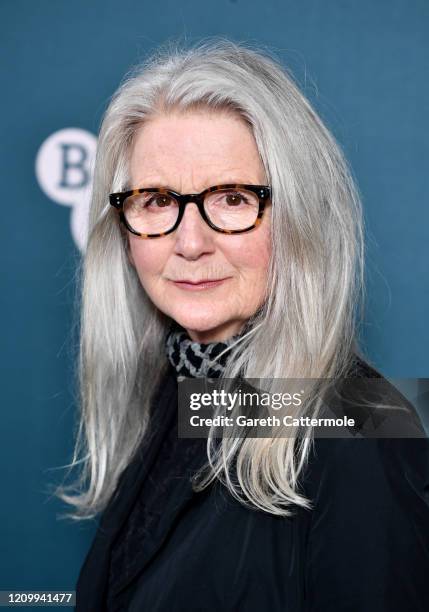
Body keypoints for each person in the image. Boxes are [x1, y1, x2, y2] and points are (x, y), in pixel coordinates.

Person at [56, 39, 429, 611]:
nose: (190, 244)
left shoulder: (360, 426)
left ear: (300, 219)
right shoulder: (179, 396)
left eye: (232, 198)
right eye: (157, 200)